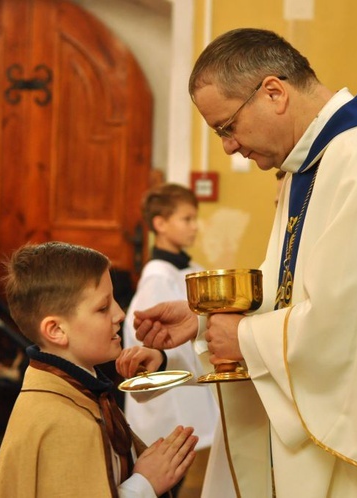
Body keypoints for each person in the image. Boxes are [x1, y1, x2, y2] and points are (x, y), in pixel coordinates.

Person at [128, 28, 357, 497]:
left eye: (226, 127)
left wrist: (244, 337)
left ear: (273, 92)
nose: (228, 146)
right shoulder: (313, 162)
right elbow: (295, 286)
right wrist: (205, 320)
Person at [0, 241, 199, 498]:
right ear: (56, 330)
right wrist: (146, 483)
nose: (120, 314)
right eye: (103, 307)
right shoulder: (63, 421)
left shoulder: (79, 392)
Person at [122, 184, 221, 497]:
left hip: (194, 395)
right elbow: (156, 342)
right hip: (169, 406)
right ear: (160, 224)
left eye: (195, 219)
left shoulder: (192, 270)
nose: (194, 227)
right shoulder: (157, 279)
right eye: (186, 219)